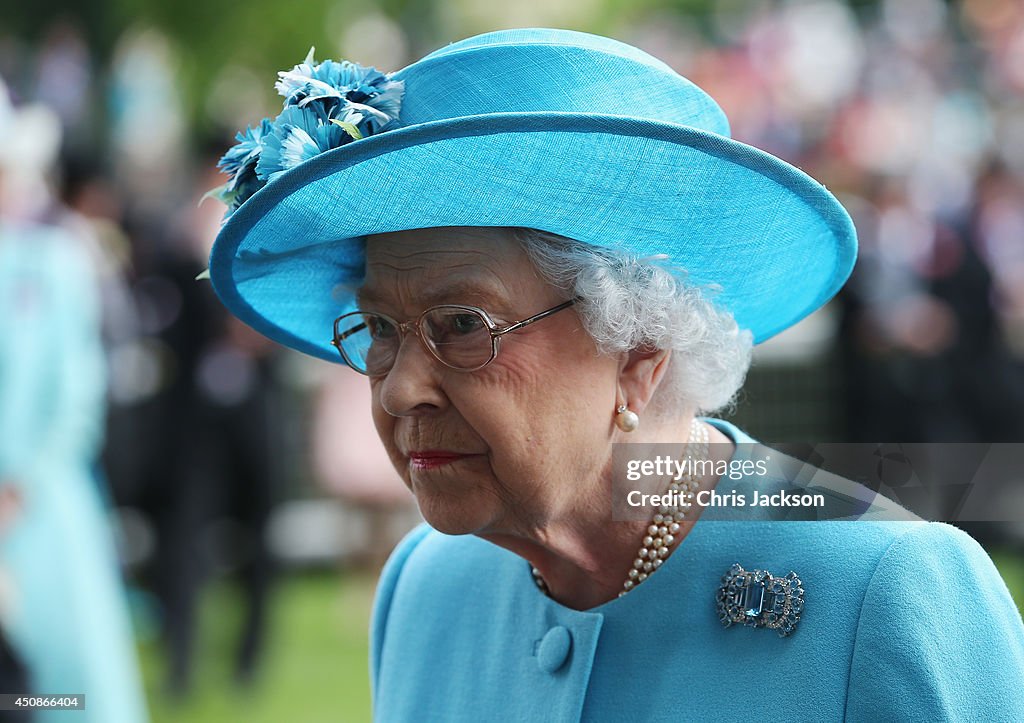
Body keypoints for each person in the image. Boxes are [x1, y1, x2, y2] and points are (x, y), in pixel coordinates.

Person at [207, 29, 1024, 721]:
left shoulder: (885, 592)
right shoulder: (424, 588)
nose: (396, 389)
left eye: (462, 326)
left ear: (638, 350)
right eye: (382, 330)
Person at [0, 81, 148, 721]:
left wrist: (18, 486)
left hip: (38, 507)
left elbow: (77, 394)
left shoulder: (53, 259)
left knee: (55, 681)